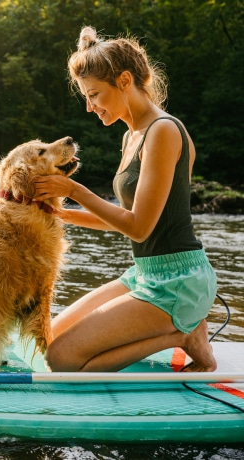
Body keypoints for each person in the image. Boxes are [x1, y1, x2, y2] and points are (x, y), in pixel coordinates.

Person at [34, 26, 217, 373]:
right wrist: (60, 215)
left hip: (178, 282)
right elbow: (125, 216)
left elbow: (138, 227)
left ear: (123, 80)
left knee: (64, 360)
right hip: (146, 275)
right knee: (52, 337)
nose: (90, 107)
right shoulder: (131, 135)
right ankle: (180, 329)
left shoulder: (163, 131)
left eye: (94, 95)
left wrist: (74, 191)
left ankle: (184, 336)